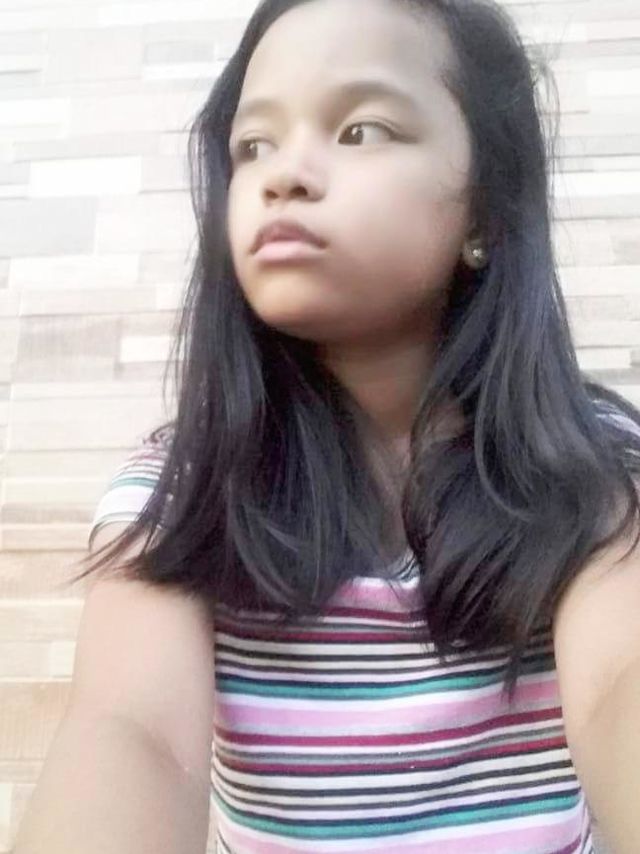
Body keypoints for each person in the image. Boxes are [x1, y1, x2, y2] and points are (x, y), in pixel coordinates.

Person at [13, 0, 640, 852]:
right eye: (253, 145)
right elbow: (135, 735)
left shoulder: (591, 464)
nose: (284, 174)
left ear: (487, 209)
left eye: (360, 130)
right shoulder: (182, 486)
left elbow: (620, 686)